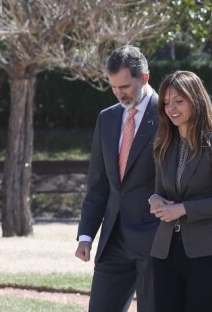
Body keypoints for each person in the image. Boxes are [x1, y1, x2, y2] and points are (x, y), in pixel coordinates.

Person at [75, 45, 159, 312]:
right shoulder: (107, 118)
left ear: (144, 78)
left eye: (124, 86)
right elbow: (99, 184)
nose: (119, 94)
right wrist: (86, 235)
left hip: (155, 240)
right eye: (113, 87)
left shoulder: (169, 116)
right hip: (113, 241)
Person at [148, 70, 212, 312]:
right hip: (165, 251)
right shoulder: (164, 143)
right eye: (166, 102)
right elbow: (159, 192)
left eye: (179, 100)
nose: (171, 108)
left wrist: (182, 209)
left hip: (206, 251)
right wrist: (155, 200)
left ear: (196, 100)